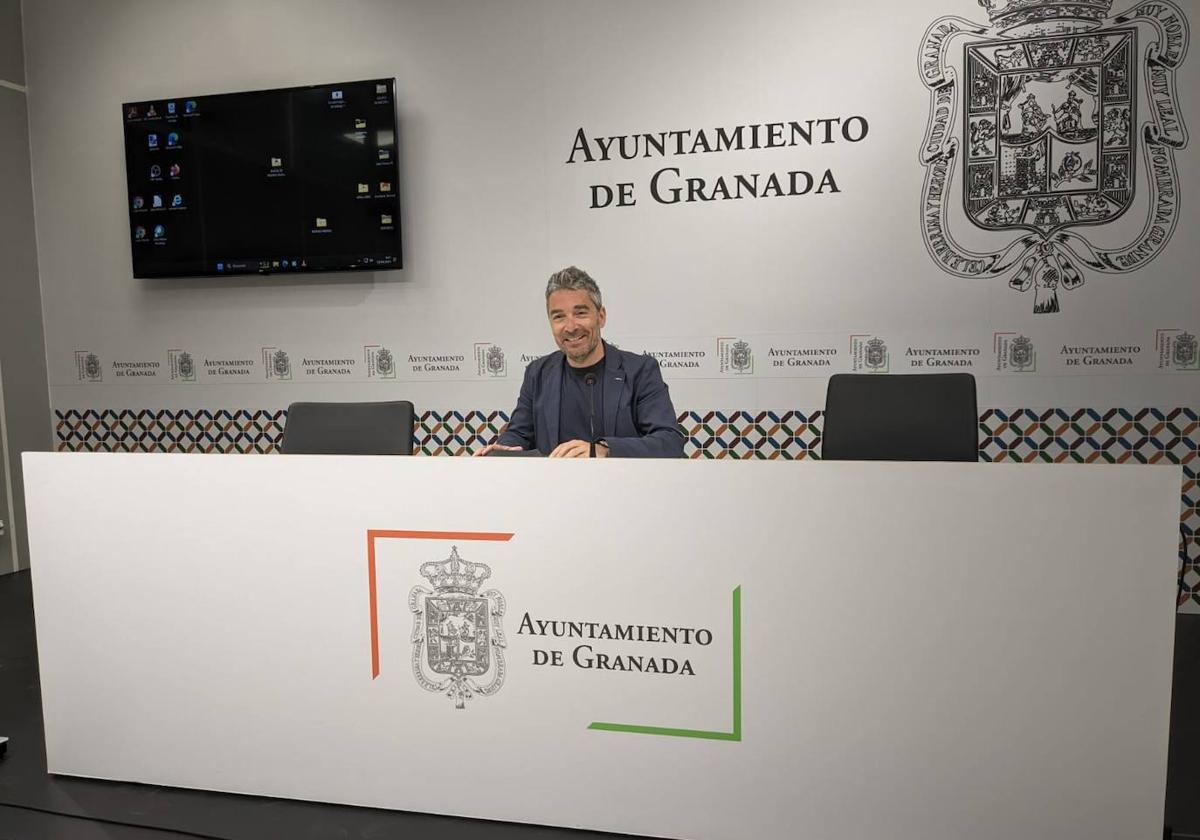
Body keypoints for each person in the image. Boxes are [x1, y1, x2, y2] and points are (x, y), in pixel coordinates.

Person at [476, 266, 684, 458]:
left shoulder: (640, 371)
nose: (570, 326)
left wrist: (604, 449)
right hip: (553, 493)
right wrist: (500, 452)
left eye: (580, 313)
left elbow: (669, 442)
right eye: (559, 317)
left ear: (600, 316)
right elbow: (519, 435)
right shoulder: (537, 373)